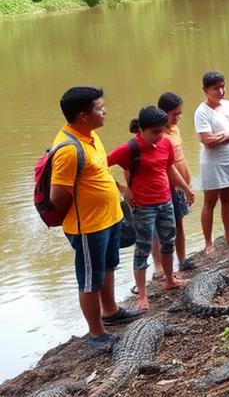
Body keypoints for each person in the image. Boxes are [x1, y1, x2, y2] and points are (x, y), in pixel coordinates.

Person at [51, 87, 142, 348]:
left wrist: (121, 191)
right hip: (88, 226)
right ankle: (96, 333)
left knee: (109, 267)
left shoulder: (90, 136)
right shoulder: (68, 149)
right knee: (90, 279)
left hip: (109, 218)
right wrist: (87, 206)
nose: (105, 111)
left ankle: (111, 311)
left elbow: (100, 172)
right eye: (99, 108)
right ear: (83, 115)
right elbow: (59, 196)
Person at [108, 106, 193, 311]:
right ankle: (143, 295)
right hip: (143, 206)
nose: (160, 135)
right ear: (141, 130)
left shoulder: (165, 143)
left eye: (162, 130)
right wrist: (122, 189)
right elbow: (100, 168)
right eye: (155, 131)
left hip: (165, 201)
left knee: (167, 242)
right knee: (143, 248)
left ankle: (170, 279)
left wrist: (186, 188)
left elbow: (169, 168)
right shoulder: (128, 149)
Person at [194, 71, 229, 255]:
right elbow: (207, 140)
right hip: (212, 162)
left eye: (222, 86)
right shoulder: (202, 111)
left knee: (227, 198)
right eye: (216, 88)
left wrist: (225, 136)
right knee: (210, 202)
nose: (221, 91)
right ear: (205, 90)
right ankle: (208, 243)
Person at [154, 92, 192, 278]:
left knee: (179, 222)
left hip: (179, 185)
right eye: (174, 114)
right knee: (161, 228)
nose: (177, 117)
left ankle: (182, 260)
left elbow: (180, 156)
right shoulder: (157, 134)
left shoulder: (175, 130)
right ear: (163, 113)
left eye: (180, 113)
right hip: (165, 186)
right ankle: (159, 267)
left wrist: (186, 183)